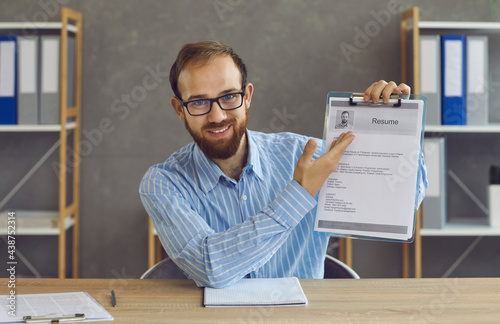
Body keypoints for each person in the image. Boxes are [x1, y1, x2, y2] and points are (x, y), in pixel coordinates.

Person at [139, 41, 427, 288]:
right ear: (180, 109)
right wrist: (299, 195)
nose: (216, 116)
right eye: (199, 102)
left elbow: (397, 207)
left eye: (229, 97)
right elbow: (210, 267)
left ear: (247, 96)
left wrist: (395, 134)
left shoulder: (306, 156)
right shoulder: (164, 184)